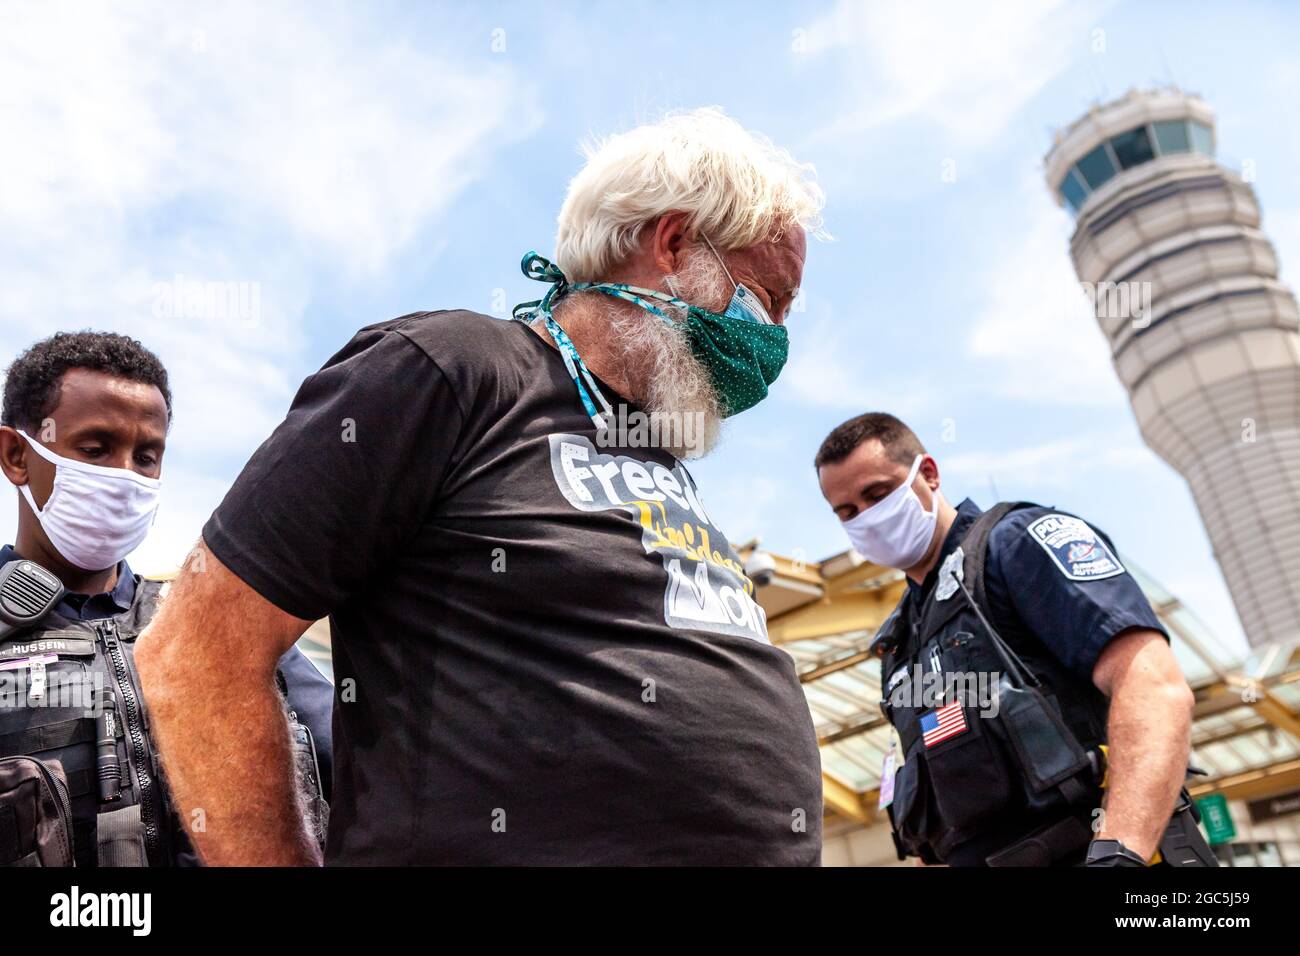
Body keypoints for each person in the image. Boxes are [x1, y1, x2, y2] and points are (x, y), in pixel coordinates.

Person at [135, 107, 828, 865]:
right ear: (671, 243)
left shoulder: (653, 452)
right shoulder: (452, 368)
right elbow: (194, 651)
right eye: (768, 300)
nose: (776, 339)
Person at [815, 412, 1216, 867]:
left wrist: (1120, 850)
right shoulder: (899, 640)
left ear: (927, 474)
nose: (866, 518)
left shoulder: (1015, 545)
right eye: (847, 512)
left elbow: (1153, 686)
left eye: (878, 494)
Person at [0, 331, 332, 866]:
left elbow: (372, 771)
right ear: (17, 455)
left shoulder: (217, 624)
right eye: (95, 449)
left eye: (147, 456)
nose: (125, 475)